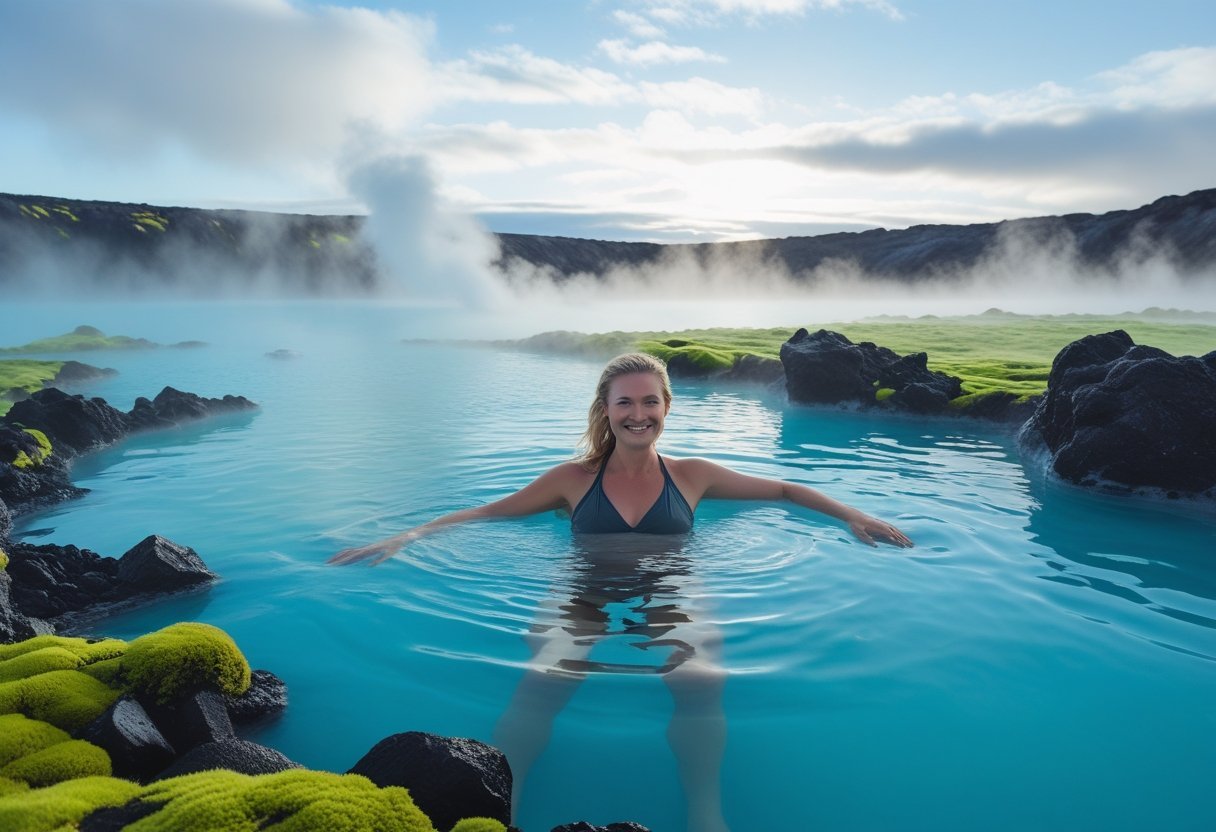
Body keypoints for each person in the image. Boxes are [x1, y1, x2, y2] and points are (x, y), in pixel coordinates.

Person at [329, 352, 912, 831]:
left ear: (666, 407)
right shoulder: (572, 479)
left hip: (670, 585)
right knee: (547, 678)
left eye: (650, 401)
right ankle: (501, 806)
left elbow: (785, 489)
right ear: (605, 411)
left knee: (700, 679)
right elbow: (490, 511)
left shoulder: (692, 475)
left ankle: (706, 814)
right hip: (586, 586)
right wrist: (408, 535)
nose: (639, 413)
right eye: (625, 402)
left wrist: (852, 516)